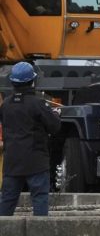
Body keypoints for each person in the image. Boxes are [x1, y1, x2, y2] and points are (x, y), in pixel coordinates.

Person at [0, 62, 61, 216]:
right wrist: (55, 114)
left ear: (13, 81)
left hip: (12, 162)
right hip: (36, 162)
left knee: (7, 201)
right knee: (39, 199)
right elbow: (54, 127)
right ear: (32, 81)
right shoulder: (37, 103)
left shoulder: (6, 105)